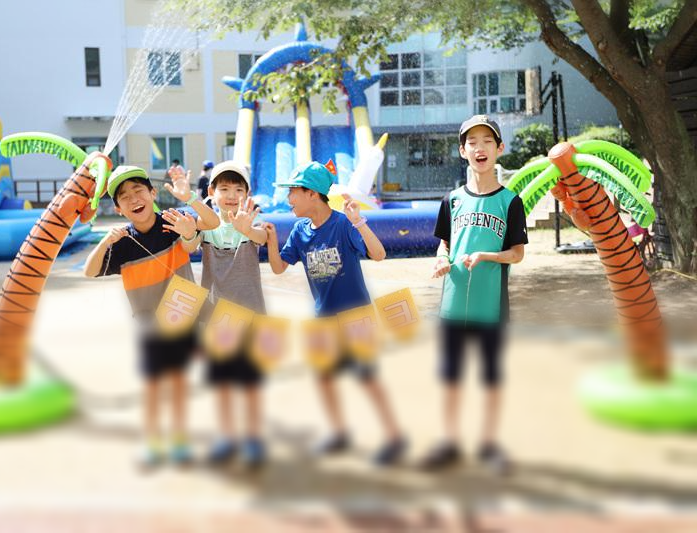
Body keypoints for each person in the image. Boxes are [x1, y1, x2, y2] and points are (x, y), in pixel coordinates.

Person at [263, 161, 407, 466]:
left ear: (312, 193)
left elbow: (379, 254)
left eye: (292, 192)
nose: (288, 199)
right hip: (323, 319)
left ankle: (394, 436)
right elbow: (278, 267)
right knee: (324, 378)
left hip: (357, 318)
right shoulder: (300, 231)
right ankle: (339, 433)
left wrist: (360, 223)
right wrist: (272, 241)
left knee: (367, 379)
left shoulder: (342, 224)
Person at [83, 165, 220, 469]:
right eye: (124, 196)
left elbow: (212, 222)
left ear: (153, 193)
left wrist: (189, 201)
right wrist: (105, 241)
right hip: (148, 322)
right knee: (154, 385)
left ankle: (179, 439)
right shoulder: (121, 243)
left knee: (178, 381)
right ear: (118, 209)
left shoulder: (172, 221)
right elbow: (89, 271)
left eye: (138, 190)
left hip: (181, 313)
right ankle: (154, 440)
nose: (134, 198)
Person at [425, 115, 527, 475]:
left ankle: (489, 444)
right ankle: (449, 442)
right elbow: (444, 244)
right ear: (462, 150)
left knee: (490, 378)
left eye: (487, 141)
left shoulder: (510, 202)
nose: (479, 148)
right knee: (451, 376)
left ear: (499, 149)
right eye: (472, 142)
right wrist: (441, 260)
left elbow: (517, 254)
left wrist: (488, 256)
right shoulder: (451, 200)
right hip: (452, 307)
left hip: (491, 307)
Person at [192, 160, 270, 469]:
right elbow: (189, 244)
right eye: (224, 188)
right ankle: (226, 436)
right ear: (211, 192)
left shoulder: (252, 222)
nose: (231, 195)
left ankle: (252, 437)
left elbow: (261, 238)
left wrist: (247, 229)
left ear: (247, 194)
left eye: (239, 189)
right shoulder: (206, 226)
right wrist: (189, 229)